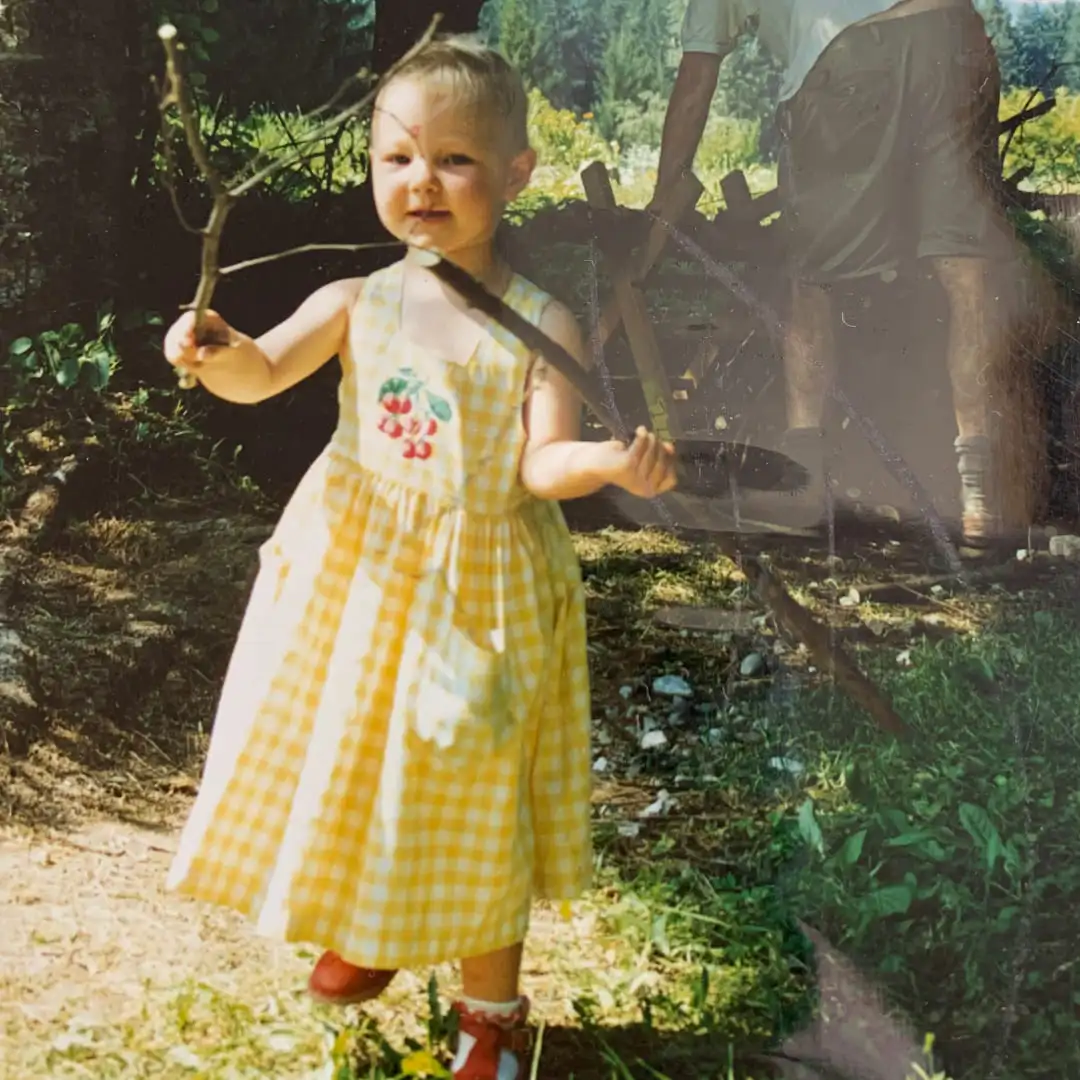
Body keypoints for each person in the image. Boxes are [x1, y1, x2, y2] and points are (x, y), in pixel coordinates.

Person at [162, 37, 677, 1080]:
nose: (422, 183)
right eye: (397, 160)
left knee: (471, 774)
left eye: (455, 161)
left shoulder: (540, 323)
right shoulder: (360, 301)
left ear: (517, 173)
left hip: (477, 589)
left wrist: (611, 463)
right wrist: (209, 347)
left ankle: (490, 1016)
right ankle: (369, 927)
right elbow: (263, 375)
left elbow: (540, 463)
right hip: (354, 575)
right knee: (349, 752)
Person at [650, 0, 1008, 545]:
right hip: (953, 36)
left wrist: (663, 194)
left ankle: (805, 484)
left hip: (851, 56)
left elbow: (698, 74)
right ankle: (979, 498)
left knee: (811, 281)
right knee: (965, 273)